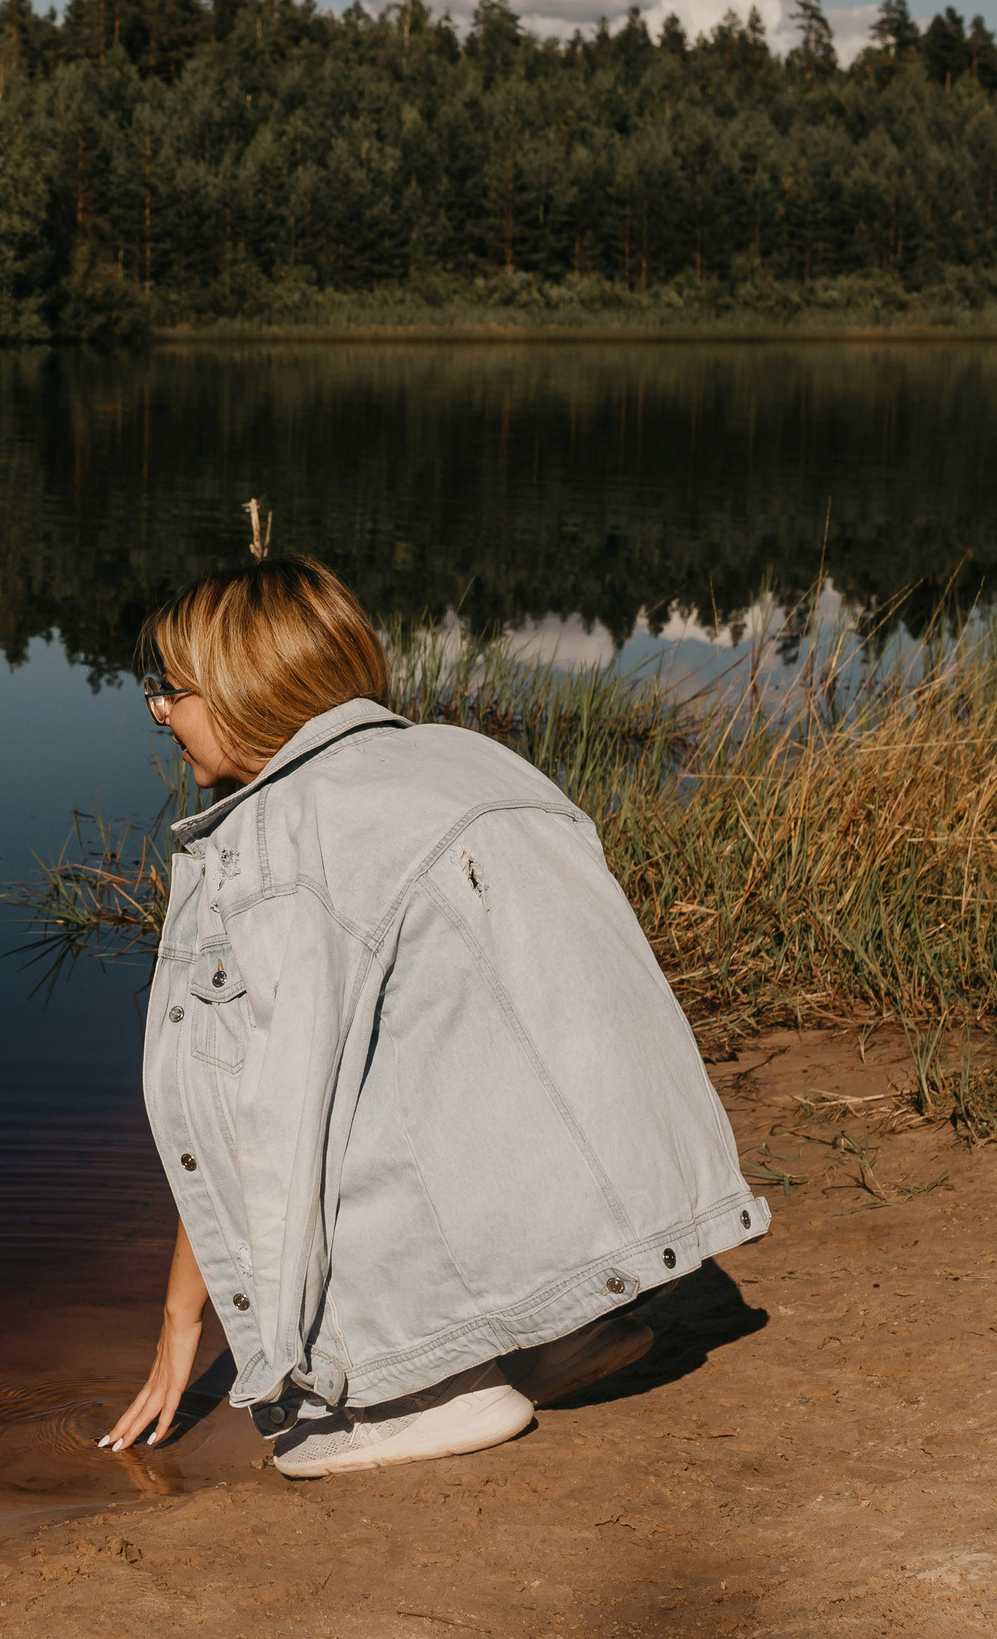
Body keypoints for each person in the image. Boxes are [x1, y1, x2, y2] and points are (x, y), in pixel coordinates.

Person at [100, 556, 765, 1479]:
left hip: (530, 1206)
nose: (157, 713)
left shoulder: (282, 837)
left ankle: (422, 1395)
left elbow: (244, 1116)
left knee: (307, 1434)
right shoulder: (469, 755)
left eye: (170, 690)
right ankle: (551, 1331)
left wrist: (209, 1330)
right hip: (628, 1197)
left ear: (243, 690)